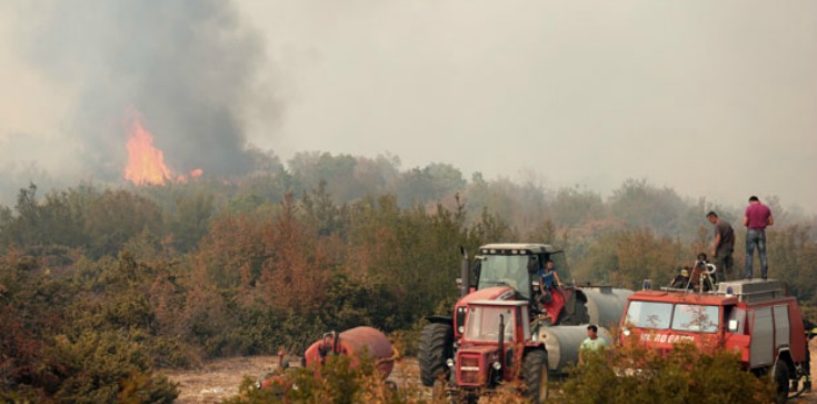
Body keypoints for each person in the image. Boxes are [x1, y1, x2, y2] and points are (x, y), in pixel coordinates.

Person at [743, 196, 773, 280]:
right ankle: (764, 274)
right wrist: (763, 223)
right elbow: (771, 222)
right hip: (761, 232)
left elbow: (745, 222)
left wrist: (750, 223)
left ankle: (749, 275)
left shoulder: (749, 208)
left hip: (751, 232)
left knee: (749, 254)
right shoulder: (766, 208)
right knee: (762, 254)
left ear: (751, 201)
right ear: (758, 200)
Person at [706, 211, 735, 281]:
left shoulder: (718, 225)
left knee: (719, 269)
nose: (710, 222)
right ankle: (731, 284)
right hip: (729, 248)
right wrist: (732, 245)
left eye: (710, 220)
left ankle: (722, 285)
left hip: (721, 250)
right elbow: (733, 236)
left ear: (712, 217)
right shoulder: (727, 224)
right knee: (729, 269)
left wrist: (714, 250)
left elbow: (718, 238)